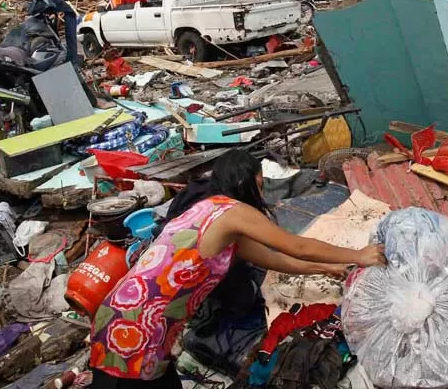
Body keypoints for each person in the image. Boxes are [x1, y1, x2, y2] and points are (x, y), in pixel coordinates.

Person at [89, 150, 386, 388]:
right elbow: (295, 246)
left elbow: (276, 260)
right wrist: (359, 255)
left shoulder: (211, 215)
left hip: (126, 315)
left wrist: (325, 268)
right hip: (137, 326)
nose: (262, 194)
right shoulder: (231, 211)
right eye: (260, 185)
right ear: (247, 182)